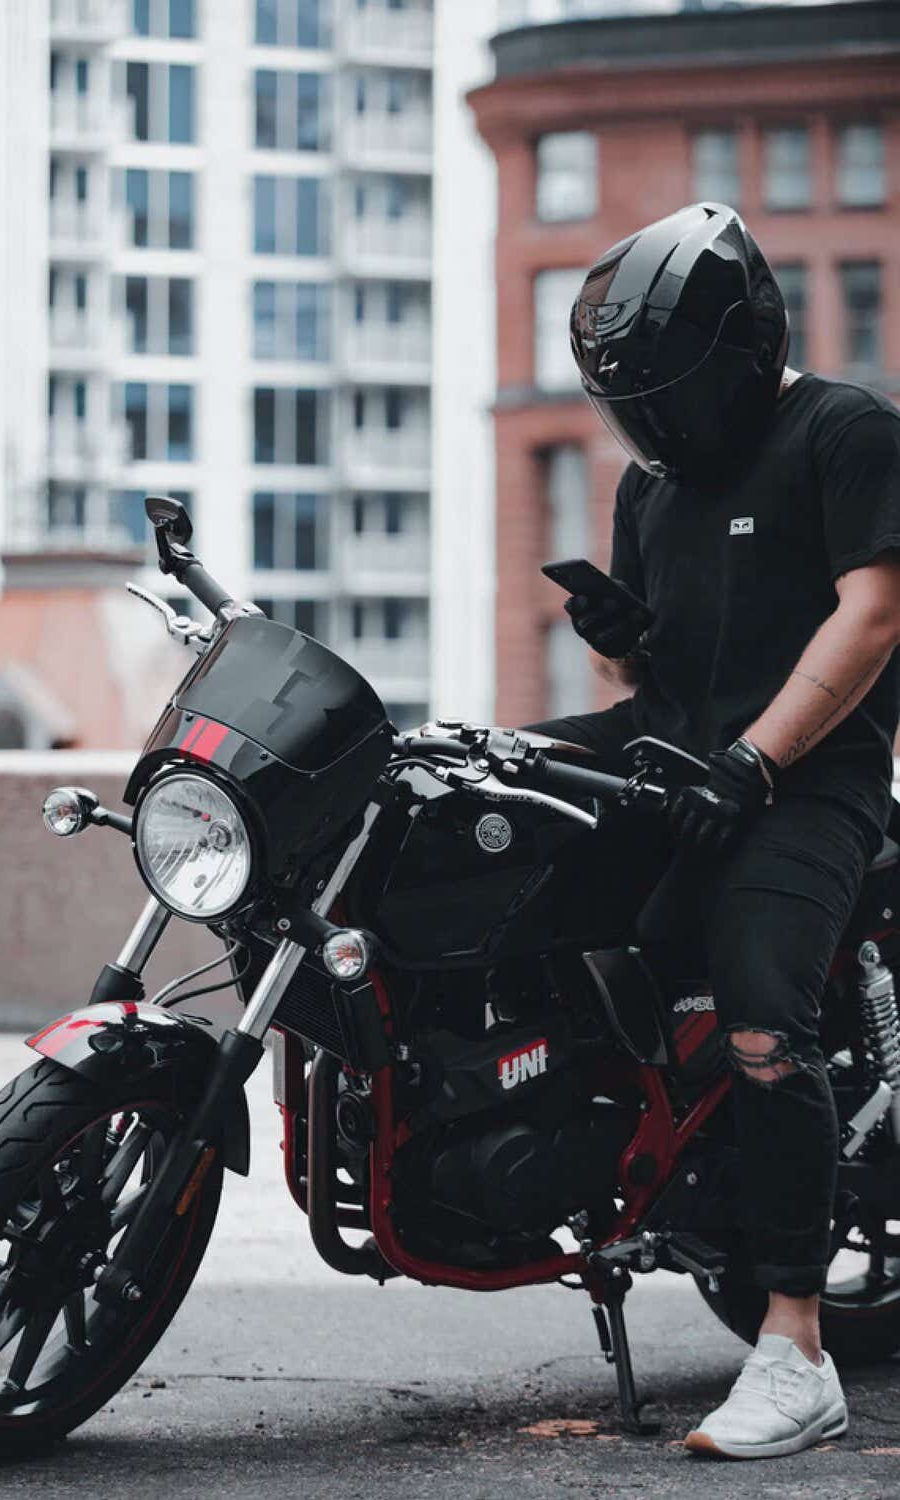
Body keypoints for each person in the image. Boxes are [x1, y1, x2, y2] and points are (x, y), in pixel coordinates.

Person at [531, 202, 900, 1460]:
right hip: (683, 766)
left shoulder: (844, 430)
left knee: (758, 1016)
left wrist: (754, 760)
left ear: (741, 352)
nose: (651, 429)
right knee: (481, 792)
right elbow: (658, 691)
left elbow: (871, 617)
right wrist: (627, 644)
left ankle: (795, 1349)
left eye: (667, 401)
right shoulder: (651, 484)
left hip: (814, 784)